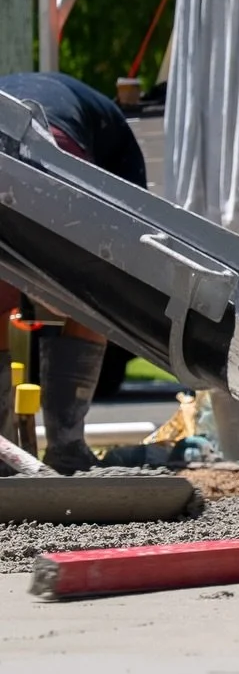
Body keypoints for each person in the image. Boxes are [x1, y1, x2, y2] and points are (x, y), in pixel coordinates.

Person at [0, 73, 148, 475]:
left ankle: (5, 457)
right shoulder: (114, 143)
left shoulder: (111, 143)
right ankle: (65, 448)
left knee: (10, 299)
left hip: (36, 139)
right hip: (53, 144)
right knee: (94, 294)